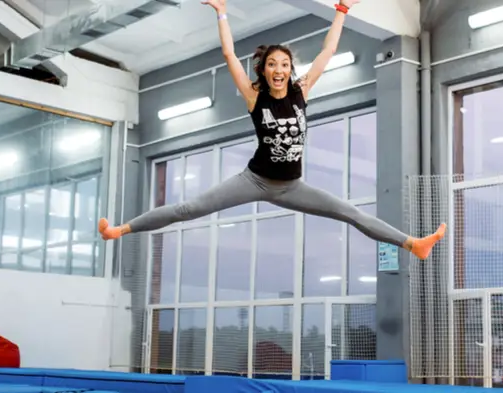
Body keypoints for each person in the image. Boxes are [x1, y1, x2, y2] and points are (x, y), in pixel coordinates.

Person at [98, 0, 446, 260]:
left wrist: (341, 8)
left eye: (284, 64)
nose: (278, 69)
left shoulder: (301, 90)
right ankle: (119, 230)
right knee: (189, 209)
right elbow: (229, 55)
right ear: (263, 70)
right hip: (254, 180)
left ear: (290, 68)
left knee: (351, 213)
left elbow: (329, 49)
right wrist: (221, 12)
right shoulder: (254, 97)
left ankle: (414, 244)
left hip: (293, 186)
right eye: (271, 65)